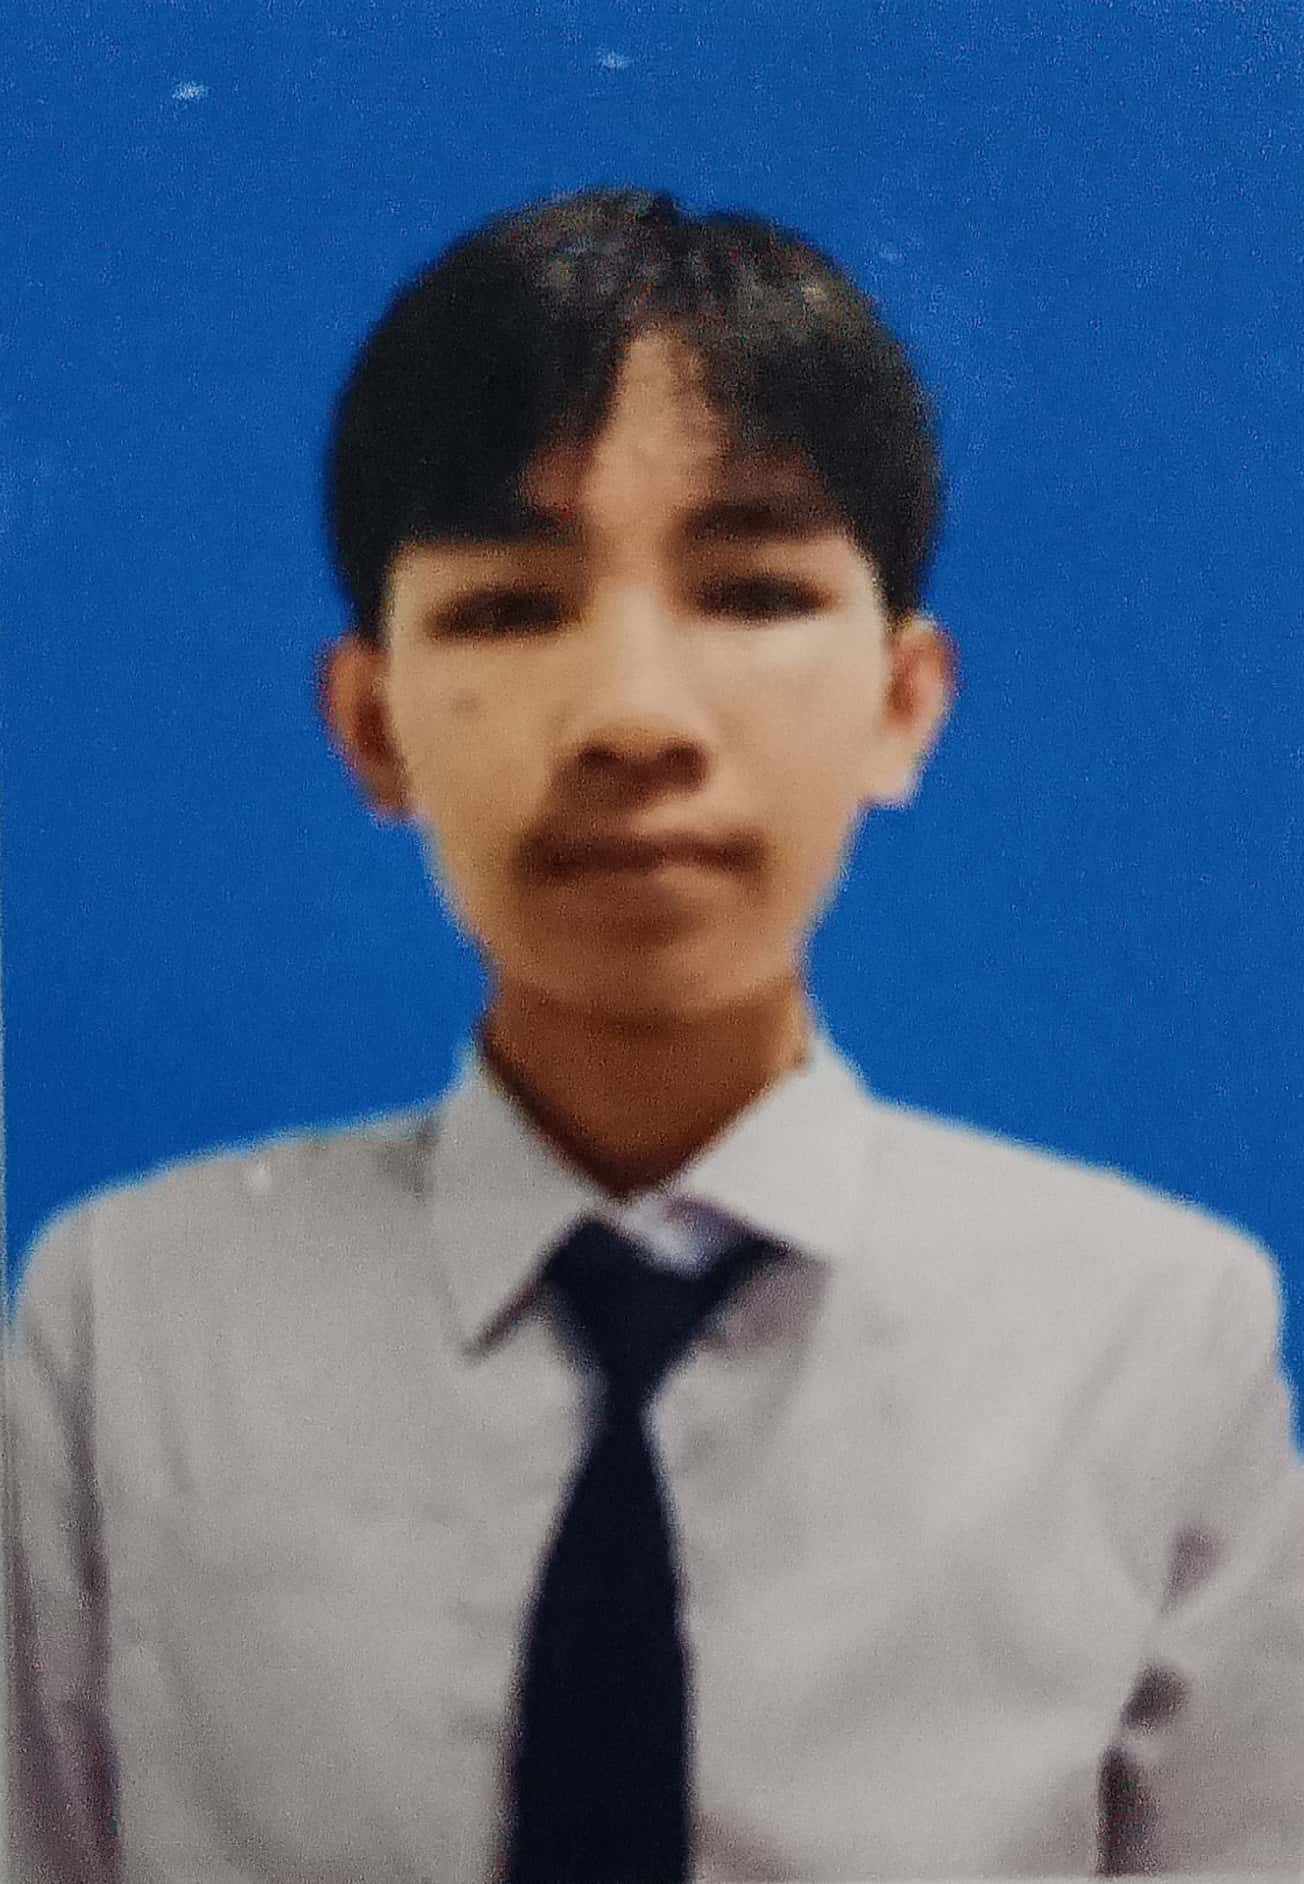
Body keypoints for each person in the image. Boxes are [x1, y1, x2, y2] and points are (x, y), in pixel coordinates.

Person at [5, 185, 1302, 1884]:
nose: (632, 717)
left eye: (752, 592)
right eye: (508, 606)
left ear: (904, 702)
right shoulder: (129, 1329)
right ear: (371, 724)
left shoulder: (1149, 1341)